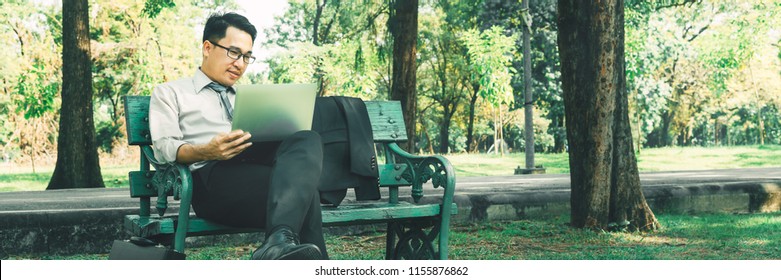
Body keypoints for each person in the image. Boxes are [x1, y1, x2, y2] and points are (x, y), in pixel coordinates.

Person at [148, 12, 327, 260]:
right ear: (208, 48)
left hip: (255, 171)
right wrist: (207, 151)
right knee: (306, 196)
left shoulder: (248, 97)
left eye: (246, 56)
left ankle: (279, 242)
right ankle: (291, 253)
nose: (240, 63)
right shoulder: (171, 92)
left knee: (307, 138)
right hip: (210, 180)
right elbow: (164, 147)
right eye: (233, 52)